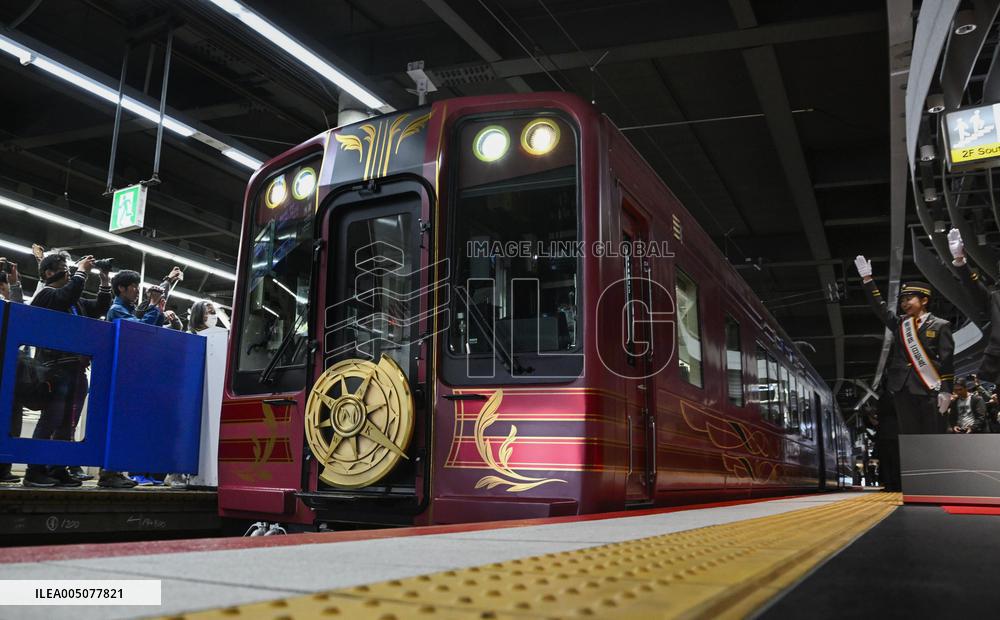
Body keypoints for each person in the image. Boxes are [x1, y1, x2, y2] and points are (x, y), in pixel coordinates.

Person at [855, 256, 954, 489]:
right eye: (902, 300)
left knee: (933, 436)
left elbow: (948, 361)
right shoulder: (901, 324)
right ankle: (917, 485)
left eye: (909, 298)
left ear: (924, 300)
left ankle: (938, 483)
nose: (904, 303)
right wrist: (868, 280)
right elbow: (879, 309)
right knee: (909, 440)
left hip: (930, 388)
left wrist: (946, 391)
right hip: (902, 389)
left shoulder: (941, 326)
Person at [22, 254, 112, 487]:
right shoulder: (46, 295)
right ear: (49, 273)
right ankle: (35, 470)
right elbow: (65, 295)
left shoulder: (76, 303)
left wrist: (104, 281)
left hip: (75, 370)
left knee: (67, 423)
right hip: (53, 370)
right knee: (50, 420)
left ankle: (58, 468)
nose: (69, 271)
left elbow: (100, 307)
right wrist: (82, 271)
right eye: (64, 268)